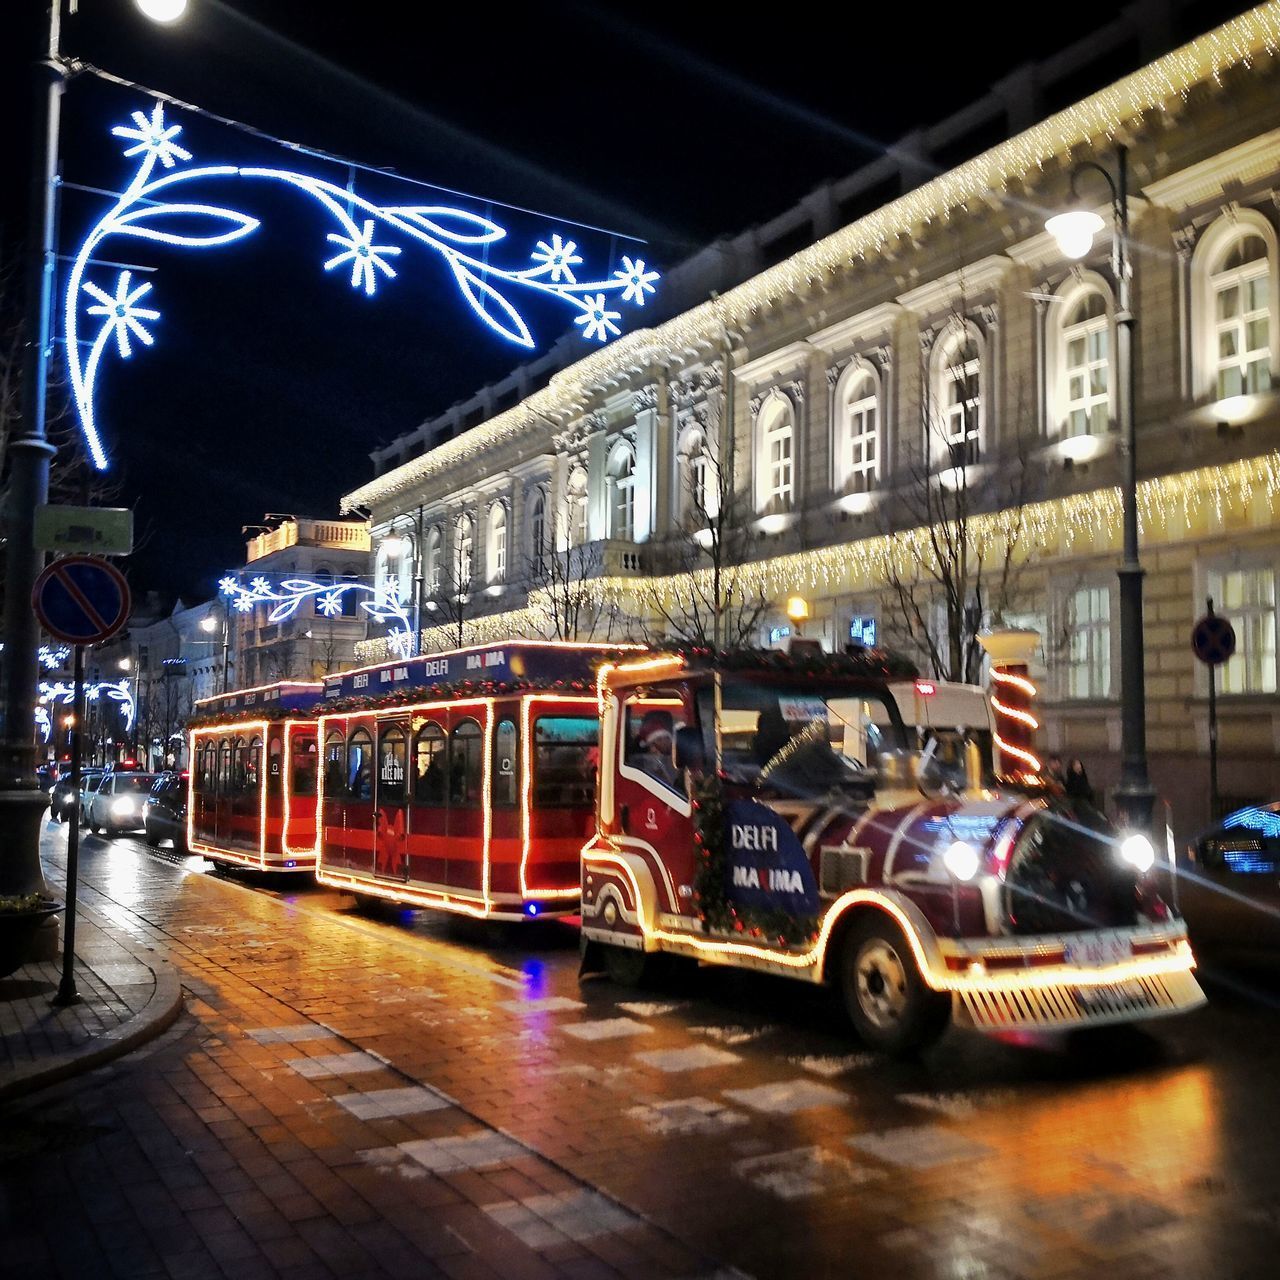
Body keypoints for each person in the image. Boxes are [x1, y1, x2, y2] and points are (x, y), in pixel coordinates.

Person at [629, 710, 680, 790]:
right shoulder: (640, 763)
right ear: (651, 745)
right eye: (659, 739)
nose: (666, 742)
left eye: (667, 738)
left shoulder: (675, 760)